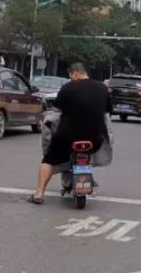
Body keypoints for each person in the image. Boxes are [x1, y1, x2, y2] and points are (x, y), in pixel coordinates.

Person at [29, 62, 110, 204]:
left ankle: (39, 193)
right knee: (90, 152)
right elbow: (106, 112)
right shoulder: (103, 88)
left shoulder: (68, 87)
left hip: (67, 138)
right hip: (95, 139)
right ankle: (87, 177)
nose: (71, 78)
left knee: (48, 159)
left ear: (75, 74)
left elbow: (57, 110)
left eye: (71, 76)